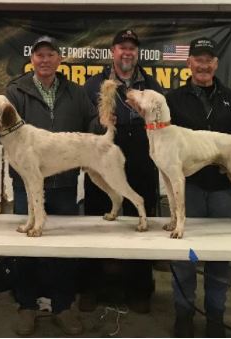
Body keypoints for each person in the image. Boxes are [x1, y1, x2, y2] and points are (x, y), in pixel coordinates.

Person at [0, 36, 95, 336]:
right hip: (25, 184)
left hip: (65, 183)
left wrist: (103, 124)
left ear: (59, 60)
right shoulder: (15, 91)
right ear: (32, 60)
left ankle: (63, 306)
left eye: (51, 54)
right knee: (25, 251)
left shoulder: (76, 92)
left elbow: (91, 124)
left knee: (63, 251)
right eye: (40, 55)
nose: (45, 60)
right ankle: (27, 306)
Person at [165, 37, 231, 337]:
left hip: (222, 190)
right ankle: (184, 315)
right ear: (189, 63)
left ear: (216, 64)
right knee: (185, 256)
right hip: (190, 188)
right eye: (198, 59)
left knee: (219, 258)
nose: (203, 64)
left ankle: (215, 317)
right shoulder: (173, 99)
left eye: (209, 59)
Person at [78, 28, 162, 314]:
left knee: (141, 222)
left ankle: (139, 289)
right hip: (102, 156)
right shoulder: (93, 85)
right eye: (121, 47)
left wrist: (149, 119)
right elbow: (82, 122)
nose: (127, 52)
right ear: (112, 51)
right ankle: (92, 287)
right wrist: (98, 122)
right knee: (98, 221)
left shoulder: (152, 85)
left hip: (141, 155)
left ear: (137, 53)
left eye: (132, 48)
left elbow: (164, 124)